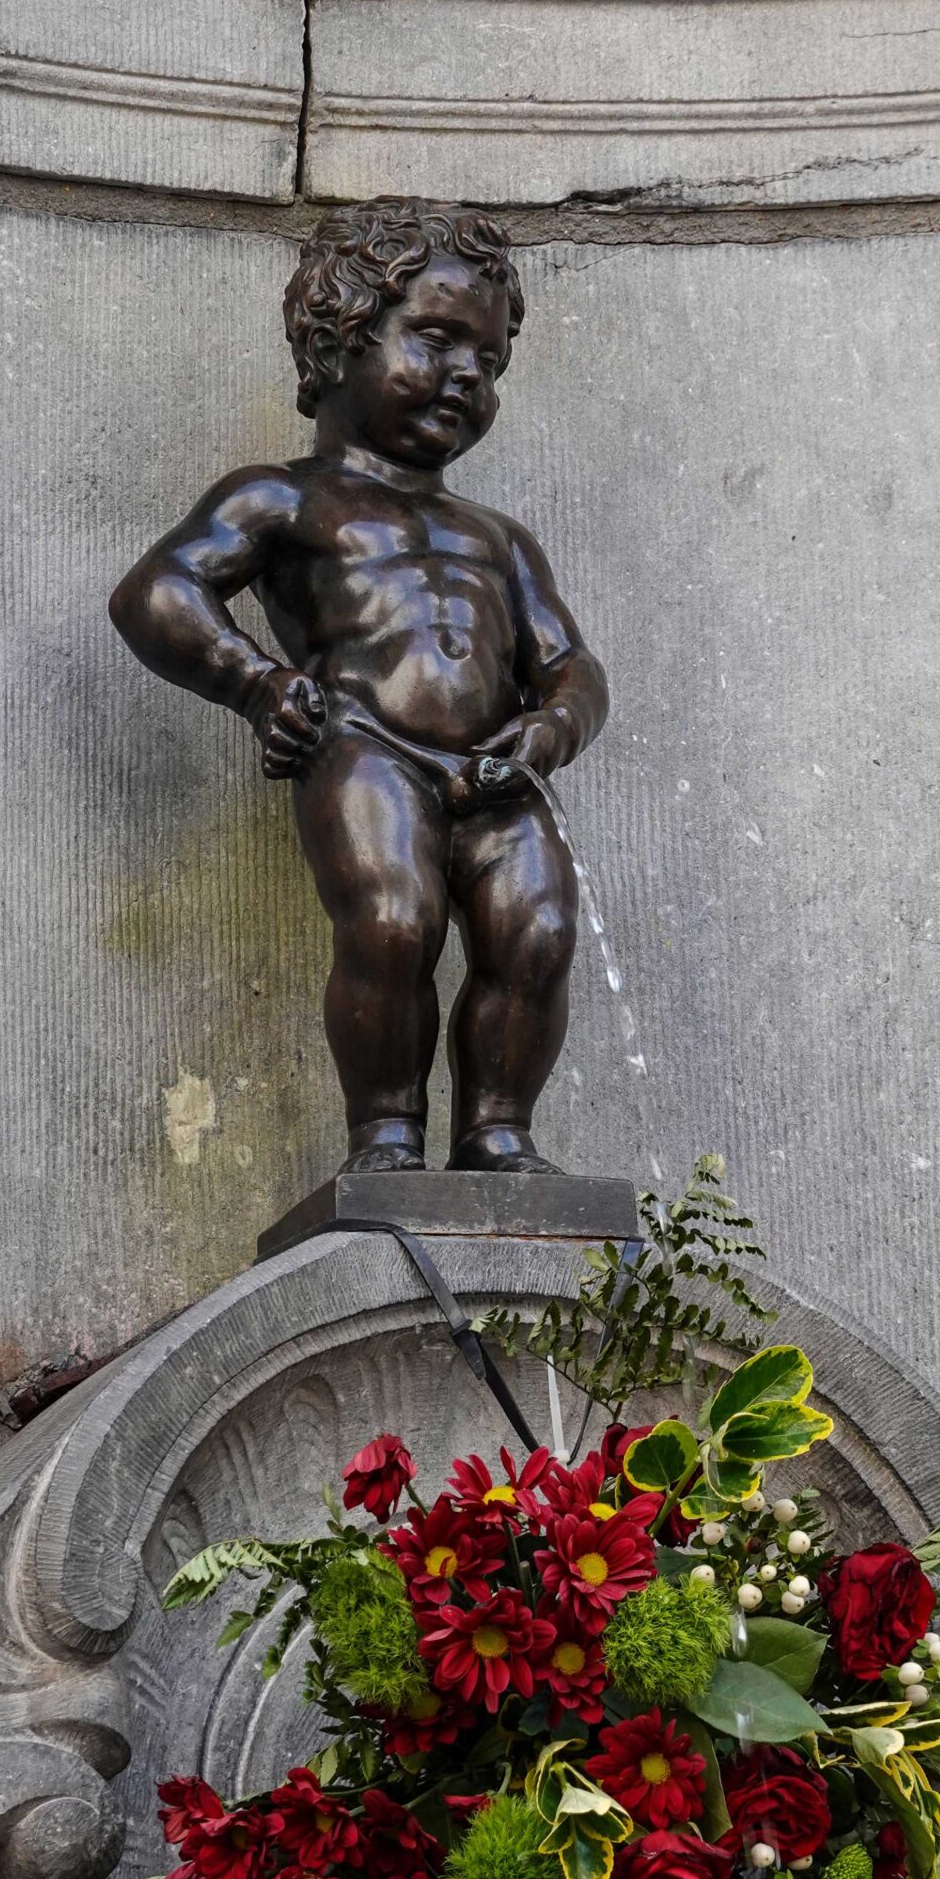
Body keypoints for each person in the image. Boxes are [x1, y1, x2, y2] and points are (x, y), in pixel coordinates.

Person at [109, 201, 608, 1176]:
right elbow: (157, 592)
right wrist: (255, 683)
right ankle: (384, 1137)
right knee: (392, 921)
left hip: (501, 769)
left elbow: (571, 667)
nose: (468, 373)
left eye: (492, 361)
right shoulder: (284, 496)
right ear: (342, 336)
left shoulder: (498, 538)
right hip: (366, 746)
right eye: (437, 338)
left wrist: (549, 732)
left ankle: (498, 1131)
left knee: (539, 929)